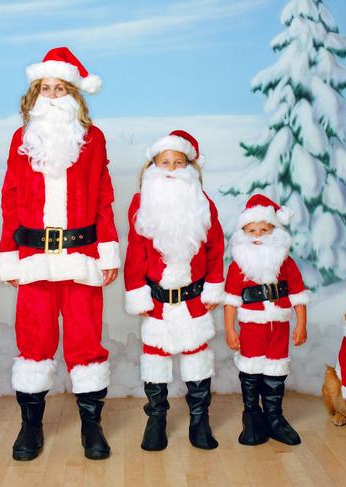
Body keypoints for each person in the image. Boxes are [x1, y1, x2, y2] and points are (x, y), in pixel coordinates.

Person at [0, 47, 120, 461]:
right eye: (44, 88)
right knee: (34, 343)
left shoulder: (94, 138)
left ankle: (91, 425)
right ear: (34, 95)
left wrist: (108, 252)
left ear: (73, 94)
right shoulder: (21, 139)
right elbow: (10, 197)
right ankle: (30, 426)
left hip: (82, 255)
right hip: (33, 257)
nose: (52, 95)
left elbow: (104, 197)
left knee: (86, 344)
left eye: (60, 88)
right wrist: (9, 254)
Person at [124, 131, 225, 451]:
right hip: (157, 301)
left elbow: (216, 249)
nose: (170, 168)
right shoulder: (143, 202)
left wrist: (212, 287)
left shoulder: (203, 204)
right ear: (153, 165)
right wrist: (136, 290)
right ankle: (156, 418)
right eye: (164, 162)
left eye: (178, 163)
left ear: (190, 168)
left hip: (194, 299)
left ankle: (199, 419)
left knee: (197, 359)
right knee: (155, 359)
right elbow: (135, 251)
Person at [223, 194, 310, 446]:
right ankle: (252, 416)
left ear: (275, 231)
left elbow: (297, 296)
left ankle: (274, 417)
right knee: (251, 372)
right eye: (252, 231)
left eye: (264, 229)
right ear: (243, 233)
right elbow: (230, 301)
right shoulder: (238, 266)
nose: (258, 235)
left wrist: (301, 324)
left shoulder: (286, 263)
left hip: (279, 329)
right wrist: (230, 330)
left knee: (275, 373)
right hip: (251, 329)